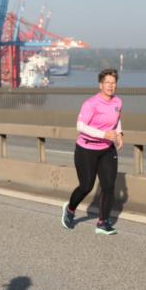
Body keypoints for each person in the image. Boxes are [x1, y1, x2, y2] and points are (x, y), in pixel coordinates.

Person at [61, 69, 124, 235]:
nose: (111, 86)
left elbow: (116, 120)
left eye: (113, 83)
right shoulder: (91, 103)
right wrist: (104, 134)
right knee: (86, 186)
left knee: (109, 186)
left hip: (107, 149)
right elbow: (80, 126)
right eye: (107, 83)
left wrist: (120, 133)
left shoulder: (118, 102)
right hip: (86, 149)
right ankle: (70, 209)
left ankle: (102, 223)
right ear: (101, 85)